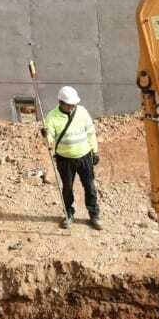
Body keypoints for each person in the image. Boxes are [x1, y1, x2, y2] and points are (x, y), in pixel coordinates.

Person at [43, 85, 101, 230]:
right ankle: (69, 214)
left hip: (84, 157)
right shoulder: (52, 117)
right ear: (60, 102)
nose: (72, 107)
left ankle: (94, 215)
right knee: (67, 188)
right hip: (65, 159)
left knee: (90, 187)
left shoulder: (82, 112)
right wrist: (46, 136)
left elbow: (90, 132)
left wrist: (95, 151)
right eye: (69, 105)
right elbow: (49, 142)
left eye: (74, 104)